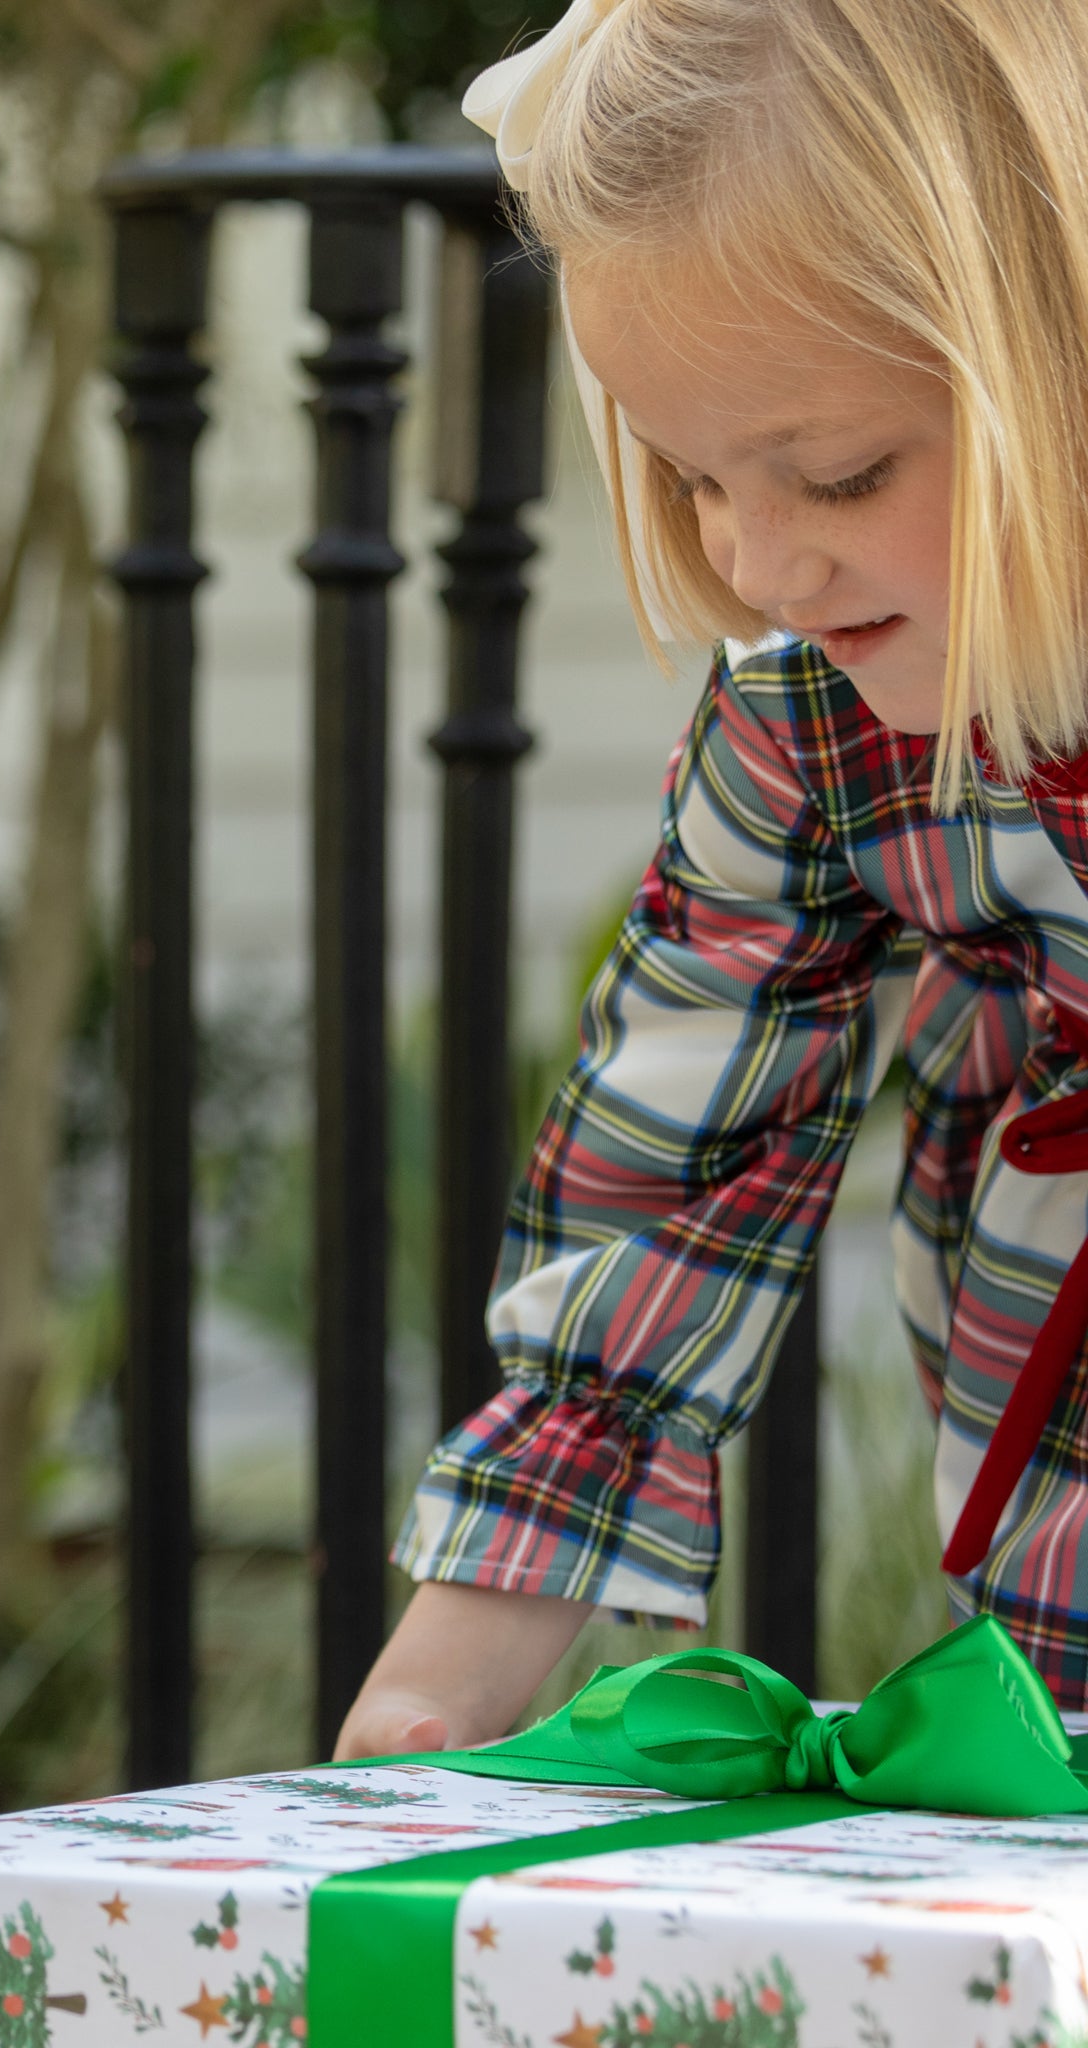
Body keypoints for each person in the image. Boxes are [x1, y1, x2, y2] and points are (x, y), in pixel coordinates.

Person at [337, 0, 1088, 1760]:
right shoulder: (814, 732)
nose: (757, 560)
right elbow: (674, 1185)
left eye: (838, 473)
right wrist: (433, 1704)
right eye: (690, 479)